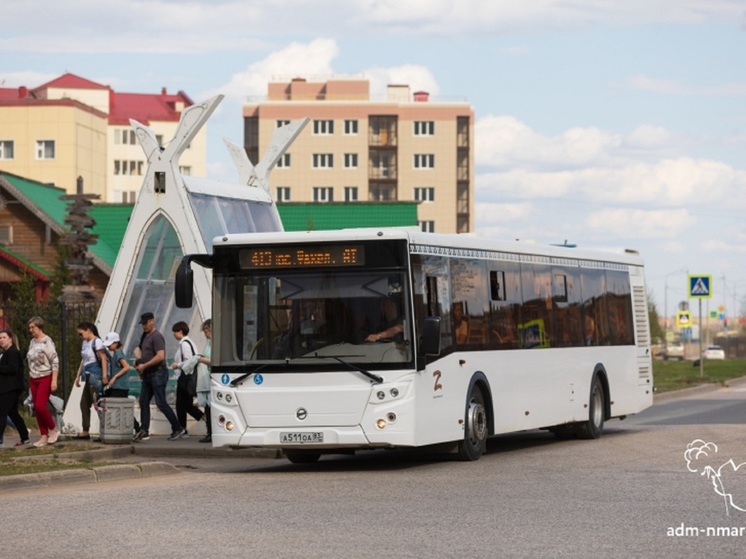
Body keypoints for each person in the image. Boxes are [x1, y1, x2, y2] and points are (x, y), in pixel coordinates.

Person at [132, 312, 185, 442]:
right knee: (143, 401)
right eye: (142, 324)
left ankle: (177, 428)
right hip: (148, 374)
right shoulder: (145, 336)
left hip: (158, 372)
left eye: (145, 323)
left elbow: (160, 356)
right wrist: (138, 361)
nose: (143, 326)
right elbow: (139, 350)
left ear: (152, 321)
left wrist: (145, 365)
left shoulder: (157, 337)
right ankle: (144, 430)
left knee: (161, 402)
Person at [26, 316, 60, 447]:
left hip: (45, 377)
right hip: (33, 377)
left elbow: (55, 361)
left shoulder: (47, 342)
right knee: (36, 407)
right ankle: (43, 435)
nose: (31, 330)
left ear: (39, 326)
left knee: (41, 405)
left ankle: (53, 429)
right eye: (29, 328)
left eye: (33, 327)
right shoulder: (32, 342)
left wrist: (54, 380)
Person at [73, 321, 110, 440]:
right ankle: (85, 430)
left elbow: (103, 359)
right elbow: (83, 360)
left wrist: (104, 376)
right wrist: (78, 375)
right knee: (84, 403)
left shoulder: (97, 342)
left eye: (81, 333)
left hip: (95, 375)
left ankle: (104, 430)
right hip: (87, 374)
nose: (80, 336)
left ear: (89, 330)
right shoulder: (85, 343)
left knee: (98, 403)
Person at [171, 321, 204, 437]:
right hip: (188, 377)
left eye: (175, 332)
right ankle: (204, 419)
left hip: (185, 377)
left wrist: (177, 365)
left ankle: (182, 428)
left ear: (180, 331)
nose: (174, 334)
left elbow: (189, 360)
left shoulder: (184, 344)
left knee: (181, 404)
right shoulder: (190, 342)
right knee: (187, 404)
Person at [0, 329, 31, 447]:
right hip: (9, 387)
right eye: (0, 338)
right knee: (13, 413)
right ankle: (25, 437)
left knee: (1, 413)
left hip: (10, 388)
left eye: (4, 337)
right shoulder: (6, 352)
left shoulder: (12, 352)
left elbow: (12, 368)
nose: (1, 340)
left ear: (10, 339)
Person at [196, 319, 213, 443]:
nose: (205, 334)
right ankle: (209, 431)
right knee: (207, 408)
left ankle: (211, 432)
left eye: (206, 331)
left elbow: (213, 360)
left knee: (210, 407)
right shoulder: (208, 343)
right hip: (207, 378)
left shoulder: (215, 343)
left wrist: (201, 360)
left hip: (212, 378)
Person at [103, 332, 131, 397]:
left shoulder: (118, 354)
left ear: (116, 343)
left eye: (110, 344)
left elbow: (127, 367)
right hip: (116, 386)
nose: (108, 346)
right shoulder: (115, 354)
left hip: (120, 387)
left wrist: (115, 377)